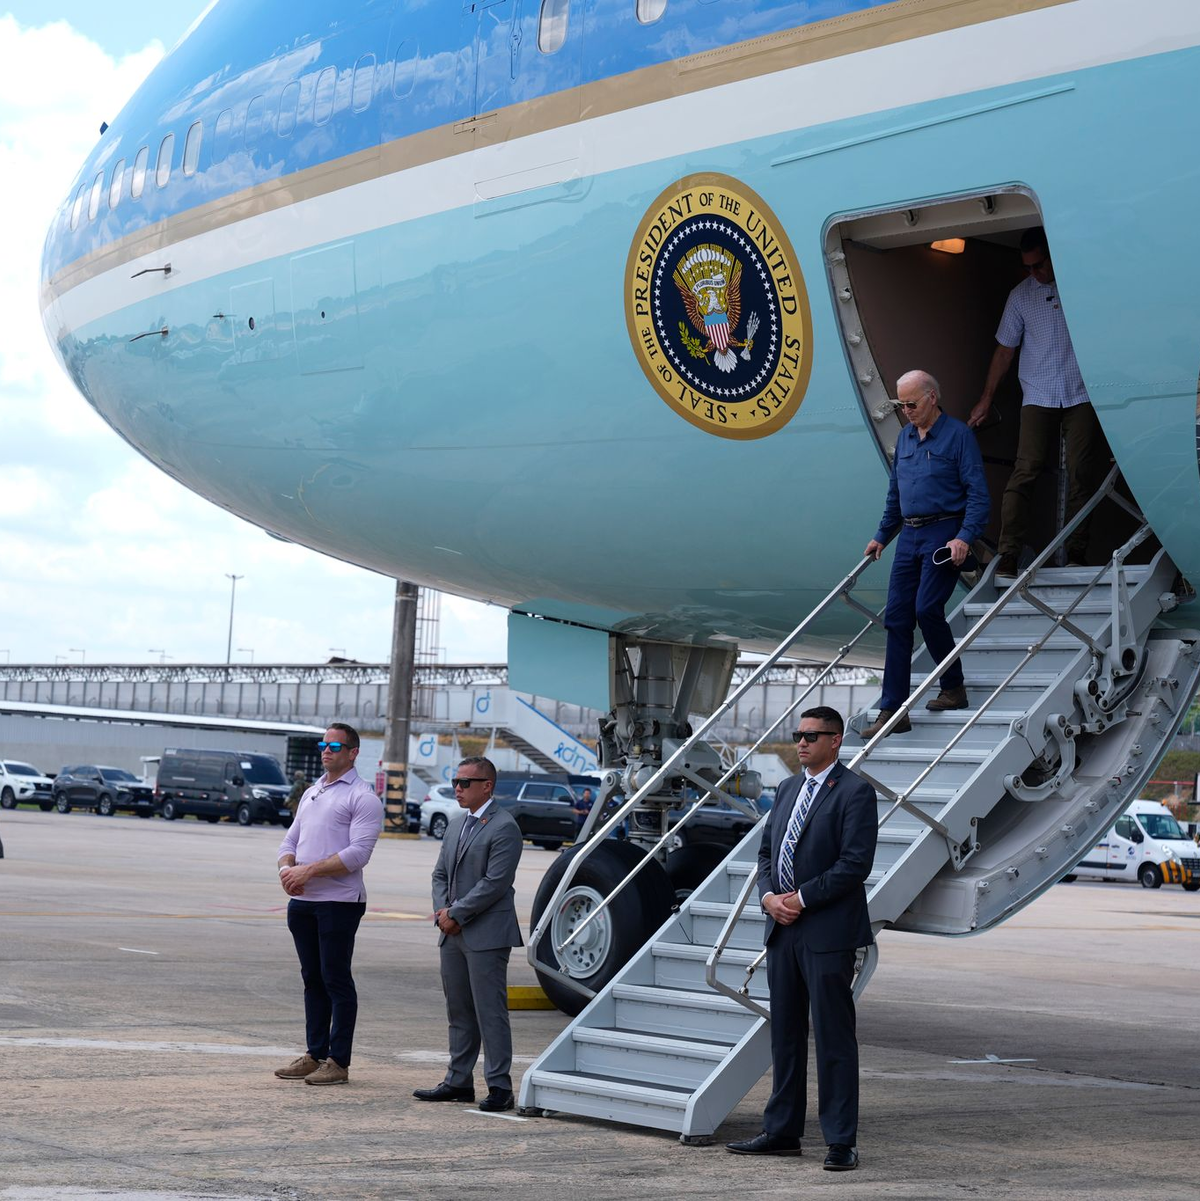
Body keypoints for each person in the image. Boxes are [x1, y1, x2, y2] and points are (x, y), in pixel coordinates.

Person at [726, 706, 878, 1170]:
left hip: (826, 932)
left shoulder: (855, 792)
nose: (802, 742)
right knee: (786, 1037)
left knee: (834, 1038)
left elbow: (855, 864)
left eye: (812, 735)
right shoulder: (789, 788)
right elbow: (768, 851)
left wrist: (802, 899)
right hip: (783, 930)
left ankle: (840, 1141)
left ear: (836, 741)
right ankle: (782, 1131)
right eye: (798, 734)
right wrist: (770, 897)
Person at [968, 227, 1105, 575]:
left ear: (1054, 256)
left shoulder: (1084, 286)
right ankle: (1008, 553)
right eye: (1028, 267)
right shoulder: (1020, 296)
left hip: (1082, 392)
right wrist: (986, 399)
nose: (1034, 273)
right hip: (1039, 393)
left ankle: (1075, 553)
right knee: (1025, 469)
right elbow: (1004, 351)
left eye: (1039, 265)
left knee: (1081, 473)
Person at [862, 370, 990, 739]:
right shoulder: (904, 438)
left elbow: (979, 495)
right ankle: (893, 710)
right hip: (910, 534)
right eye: (899, 405)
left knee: (926, 609)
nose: (905, 411)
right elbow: (895, 493)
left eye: (911, 404)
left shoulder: (958, 437)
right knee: (897, 619)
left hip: (944, 531)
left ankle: (953, 686)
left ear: (932, 398)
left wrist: (965, 536)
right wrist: (882, 535)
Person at [273, 723, 382, 1086]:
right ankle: (314, 1053)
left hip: (339, 902)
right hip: (304, 902)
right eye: (324, 743)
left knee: (336, 979)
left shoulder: (363, 797)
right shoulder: (312, 792)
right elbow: (290, 840)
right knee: (312, 979)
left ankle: (338, 1061)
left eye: (335, 744)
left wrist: (308, 872)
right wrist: (288, 870)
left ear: (353, 753)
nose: (326, 749)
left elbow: (358, 854)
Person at [414, 755, 524, 1112]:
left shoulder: (504, 826)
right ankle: (458, 1080)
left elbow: (495, 883)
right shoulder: (457, 824)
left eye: (465, 783)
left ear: (487, 786)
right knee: (459, 1010)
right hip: (452, 932)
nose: (457, 788)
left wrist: (457, 913)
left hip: (486, 933)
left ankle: (499, 1086)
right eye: (455, 781)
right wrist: (443, 913)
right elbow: (439, 875)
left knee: (489, 1011)